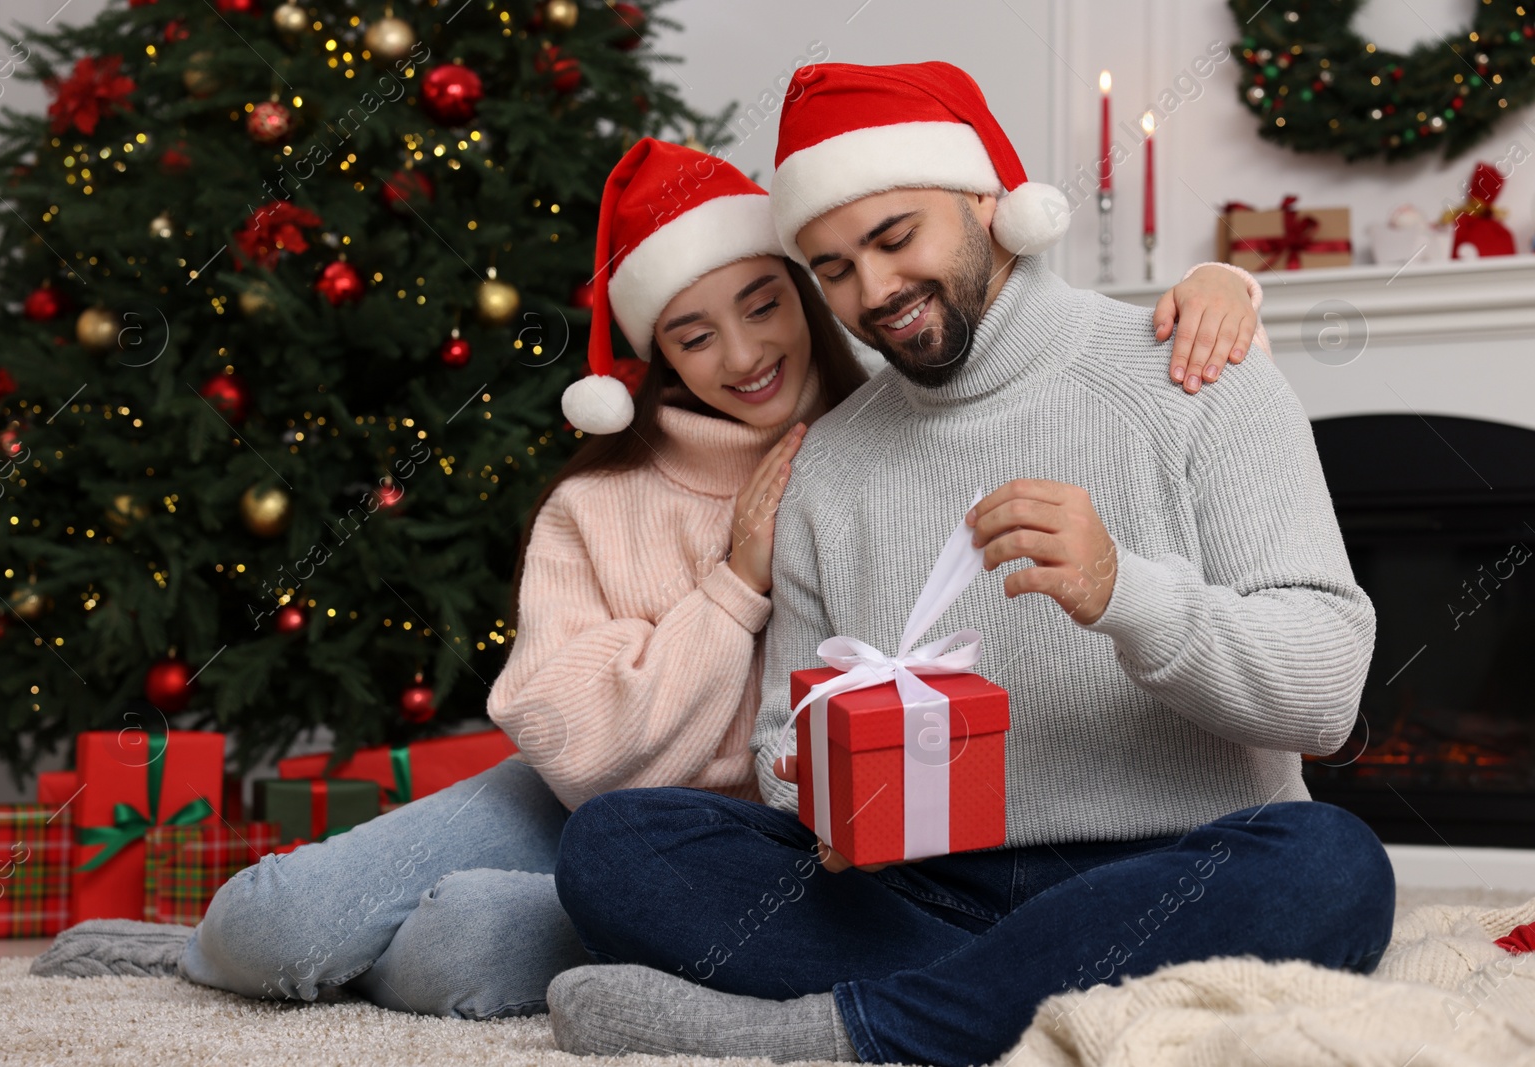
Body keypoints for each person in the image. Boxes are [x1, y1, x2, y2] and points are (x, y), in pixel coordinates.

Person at [28, 135, 1268, 1021]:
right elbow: (570, 744)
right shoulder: (598, 502)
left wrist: (1220, 283)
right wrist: (732, 583)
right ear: (648, 358)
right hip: (597, 794)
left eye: (762, 305)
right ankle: (193, 951)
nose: (743, 355)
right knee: (278, 927)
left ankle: (421, 934)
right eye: (690, 332)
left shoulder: (896, 428)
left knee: (464, 945)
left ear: (810, 295)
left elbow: (1036, 360)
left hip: (767, 848)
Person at [543, 62, 1394, 1066]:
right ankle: (1018, 989)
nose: (874, 292)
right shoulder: (829, 463)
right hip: (921, 883)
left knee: (1332, 867)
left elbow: (1327, 694)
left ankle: (849, 1027)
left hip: (1173, 862)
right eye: (832, 268)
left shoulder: (1194, 368)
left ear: (989, 201)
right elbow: (781, 738)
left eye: (896, 238)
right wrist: (820, 786)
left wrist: (1129, 593)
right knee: (614, 850)